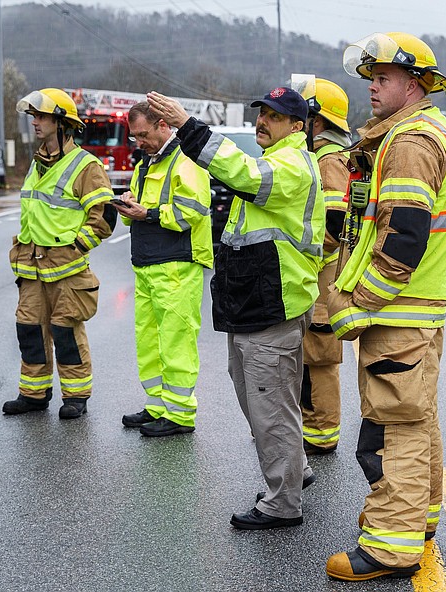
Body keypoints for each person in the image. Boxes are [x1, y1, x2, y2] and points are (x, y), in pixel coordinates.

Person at [146, 86, 325, 530]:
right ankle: (294, 468)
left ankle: (283, 502)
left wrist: (187, 126)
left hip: (274, 302)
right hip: (255, 300)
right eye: (260, 114)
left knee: (270, 402)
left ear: (297, 127)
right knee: (257, 395)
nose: (262, 121)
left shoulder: (290, 166)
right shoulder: (276, 160)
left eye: (274, 117)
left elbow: (241, 173)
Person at [324, 33, 446, 580]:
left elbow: (404, 238)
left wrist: (359, 304)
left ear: (415, 84)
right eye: (371, 78)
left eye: (383, 78)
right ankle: (420, 518)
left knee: (394, 426)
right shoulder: (425, 132)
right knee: (418, 415)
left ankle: (389, 545)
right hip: (416, 309)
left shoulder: (409, 140)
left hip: (398, 310)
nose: (372, 87)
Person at [4, 88, 114, 419]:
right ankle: (34, 394)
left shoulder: (86, 166)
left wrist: (75, 247)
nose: (35, 122)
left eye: (41, 116)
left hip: (67, 270)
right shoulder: (37, 164)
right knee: (30, 330)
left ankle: (76, 397)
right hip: (32, 267)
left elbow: (105, 217)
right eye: (34, 116)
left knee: (66, 332)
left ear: (61, 122)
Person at [116, 101, 213, 437]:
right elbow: (148, 207)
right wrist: (130, 205)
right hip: (148, 263)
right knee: (151, 341)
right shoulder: (148, 162)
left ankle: (180, 415)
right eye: (134, 136)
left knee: (176, 343)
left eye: (143, 134)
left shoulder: (186, 158)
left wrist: (148, 214)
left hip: (176, 264)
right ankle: (158, 406)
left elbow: (194, 210)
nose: (138, 141)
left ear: (162, 125)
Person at [295, 77, 352, 455]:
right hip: (316, 277)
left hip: (322, 276)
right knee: (309, 357)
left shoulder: (330, 161)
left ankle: (321, 433)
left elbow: (334, 225)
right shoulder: (323, 158)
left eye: (303, 120)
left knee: (319, 359)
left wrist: (300, 251)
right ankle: (310, 426)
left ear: (317, 122)